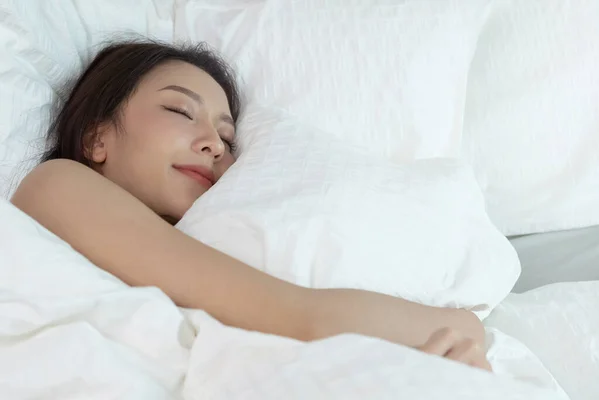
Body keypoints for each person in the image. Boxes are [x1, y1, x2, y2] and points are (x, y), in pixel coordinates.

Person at [11, 40, 491, 371]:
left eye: (226, 135)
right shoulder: (56, 184)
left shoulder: (211, 237)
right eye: (180, 111)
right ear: (97, 138)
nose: (215, 146)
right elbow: (300, 317)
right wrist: (457, 327)